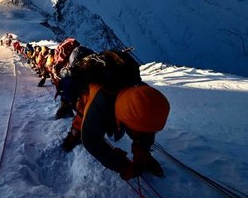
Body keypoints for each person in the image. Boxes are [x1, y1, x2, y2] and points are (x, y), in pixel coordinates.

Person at [62, 50, 170, 181]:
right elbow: (91, 140)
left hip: (119, 103)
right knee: (84, 114)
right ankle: (73, 136)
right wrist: (122, 166)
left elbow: (145, 127)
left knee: (137, 118)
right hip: (93, 101)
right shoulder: (99, 106)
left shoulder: (142, 94)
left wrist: (141, 155)